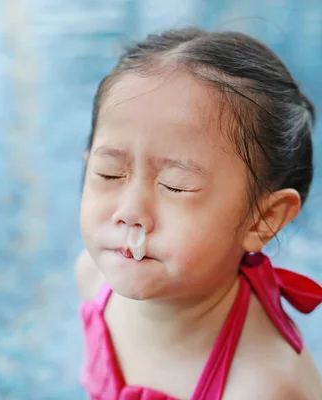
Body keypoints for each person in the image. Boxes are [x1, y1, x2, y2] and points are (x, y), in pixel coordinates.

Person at [75, 27, 322, 399]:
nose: (129, 212)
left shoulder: (264, 384)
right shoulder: (94, 278)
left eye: (176, 185)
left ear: (263, 218)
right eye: (108, 173)